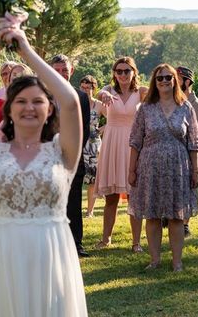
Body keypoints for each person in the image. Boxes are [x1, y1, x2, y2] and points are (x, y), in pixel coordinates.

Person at [0, 17, 92, 317]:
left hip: (50, 254)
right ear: (9, 109)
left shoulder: (63, 151)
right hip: (0, 255)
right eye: (21, 101)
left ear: (49, 109)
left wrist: (26, 49)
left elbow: (72, 101)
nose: (29, 107)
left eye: (37, 101)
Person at [128, 64, 198, 271]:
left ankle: (177, 261)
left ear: (175, 80)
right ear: (154, 81)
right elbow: (135, 141)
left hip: (178, 166)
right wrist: (131, 170)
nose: (164, 81)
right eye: (160, 78)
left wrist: (195, 170)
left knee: (176, 216)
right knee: (152, 214)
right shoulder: (146, 108)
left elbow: (194, 143)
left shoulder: (185, 107)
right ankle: (155, 260)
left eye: (168, 77)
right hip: (149, 165)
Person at [94, 57, 148, 252]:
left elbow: (158, 100)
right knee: (111, 197)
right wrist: (103, 94)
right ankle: (106, 238)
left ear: (134, 72)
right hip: (111, 144)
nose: (123, 75)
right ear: (114, 73)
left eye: (127, 71)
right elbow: (99, 94)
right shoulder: (108, 90)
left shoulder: (140, 92)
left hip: (133, 145)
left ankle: (136, 242)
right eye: (119, 71)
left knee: (134, 195)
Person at [48, 54, 91, 257]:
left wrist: (72, 155)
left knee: (73, 202)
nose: (61, 74)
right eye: (56, 70)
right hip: (46, 158)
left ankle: (76, 244)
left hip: (73, 159)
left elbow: (84, 130)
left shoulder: (80, 96)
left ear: (71, 71)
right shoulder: (41, 96)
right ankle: (51, 245)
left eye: (64, 70)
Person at [176, 66, 198, 237]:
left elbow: (196, 138)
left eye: (177, 78)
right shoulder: (172, 101)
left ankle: (185, 224)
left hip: (187, 155)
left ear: (187, 81)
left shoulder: (196, 106)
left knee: (187, 189)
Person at [79, 75, 103, 218]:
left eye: (88, 88)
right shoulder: (75, 102)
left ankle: (90, 211)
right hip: (78, 142)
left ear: (94, 89)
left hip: (94, 144)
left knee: (92, 179)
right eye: (83, 87)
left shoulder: (99, 105)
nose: (85, 90)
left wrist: (102, 129)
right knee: (77, 177)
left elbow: (113, 118)